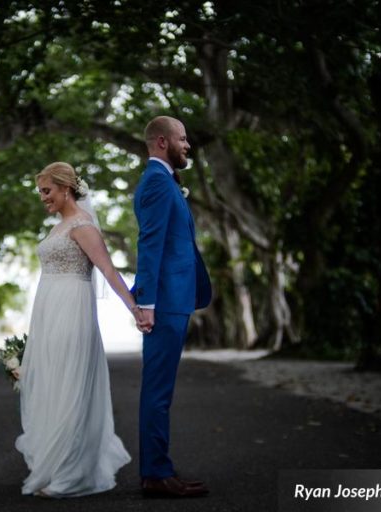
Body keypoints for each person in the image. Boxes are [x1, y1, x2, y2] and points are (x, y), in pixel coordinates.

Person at [15, 161, 140, 498]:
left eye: (47, 191)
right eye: (40, 192)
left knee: (70, 385)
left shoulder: (83, 226)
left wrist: (135, 309)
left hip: (72, 310)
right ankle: (57, 468)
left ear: (66, 188)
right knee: (54, 384)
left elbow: (109, 271)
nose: (43, 198)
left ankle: (70, 476)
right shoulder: (58, 227)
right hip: (48, 310)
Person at [132, 116, 212, 498]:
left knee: (161, 390)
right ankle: (155, 473)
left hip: (173, 298)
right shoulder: (158, 184)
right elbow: (149, 244)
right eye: (182, 138)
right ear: (162, 142)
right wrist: (144, 302)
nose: (188, 145)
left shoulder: (164, 182)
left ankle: (157, 468)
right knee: (158, 391)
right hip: (163, 301)